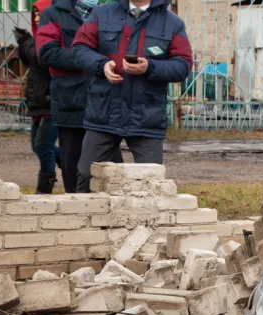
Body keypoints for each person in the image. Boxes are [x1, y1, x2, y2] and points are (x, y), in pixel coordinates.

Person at [70, 0, 193, 193]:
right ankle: (88, 221)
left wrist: (150, 67)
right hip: (104, 112)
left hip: (146, 115)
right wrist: (101, 65)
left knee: (151, 184)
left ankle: (146, 223)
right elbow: (79, 49)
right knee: (87, 175)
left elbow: (183, 65)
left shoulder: (172, 23)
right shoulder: (101, 14)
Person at [36, 0, 98, 193]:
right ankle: (76, 210)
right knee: (72, 165)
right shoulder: (53, 14)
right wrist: (88, 58)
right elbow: (46, 53)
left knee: (108, 164)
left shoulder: (106, 13)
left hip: (103, 103)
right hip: (70, 102)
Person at [15, 1, 60, 194]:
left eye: (38, 14)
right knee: (37, 146)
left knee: (43, 146)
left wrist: (25, 42)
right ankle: (71, 162)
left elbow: (41, 59)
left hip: (51, 102)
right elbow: (29, 60)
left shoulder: (54, 37)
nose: (35, 18)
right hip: (40, 102)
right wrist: (24, 44)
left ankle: (45, 188)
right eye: (34, 15)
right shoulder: (38, 39)